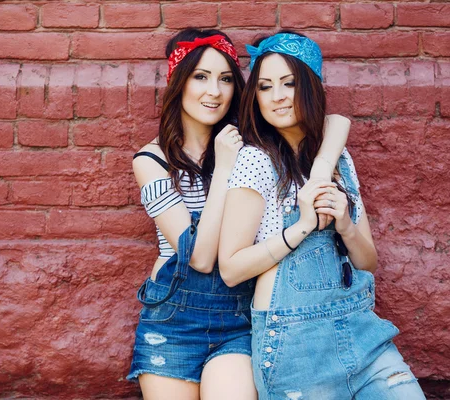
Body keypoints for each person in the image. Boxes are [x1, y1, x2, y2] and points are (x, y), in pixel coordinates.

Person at [127, 28, 351, 400]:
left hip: (239, 315)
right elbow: (199, 258)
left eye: (226, 79)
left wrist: (323, 168)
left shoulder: (252, 144)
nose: (214, 91)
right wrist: (224, 170)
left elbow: (337, 122)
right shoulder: (153, 161)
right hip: (173, 318)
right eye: (201, 77)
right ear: (178, 83)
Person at [218, 31, 426, 399]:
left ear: (311, 87)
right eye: (265, 87)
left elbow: (367, 262)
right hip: (295, 344)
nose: (277, 96)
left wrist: (345, 223)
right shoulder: (256, 160)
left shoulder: (339, 161)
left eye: (289, 83)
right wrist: (299, 229)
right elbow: (231, 268)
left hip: (362, 333)